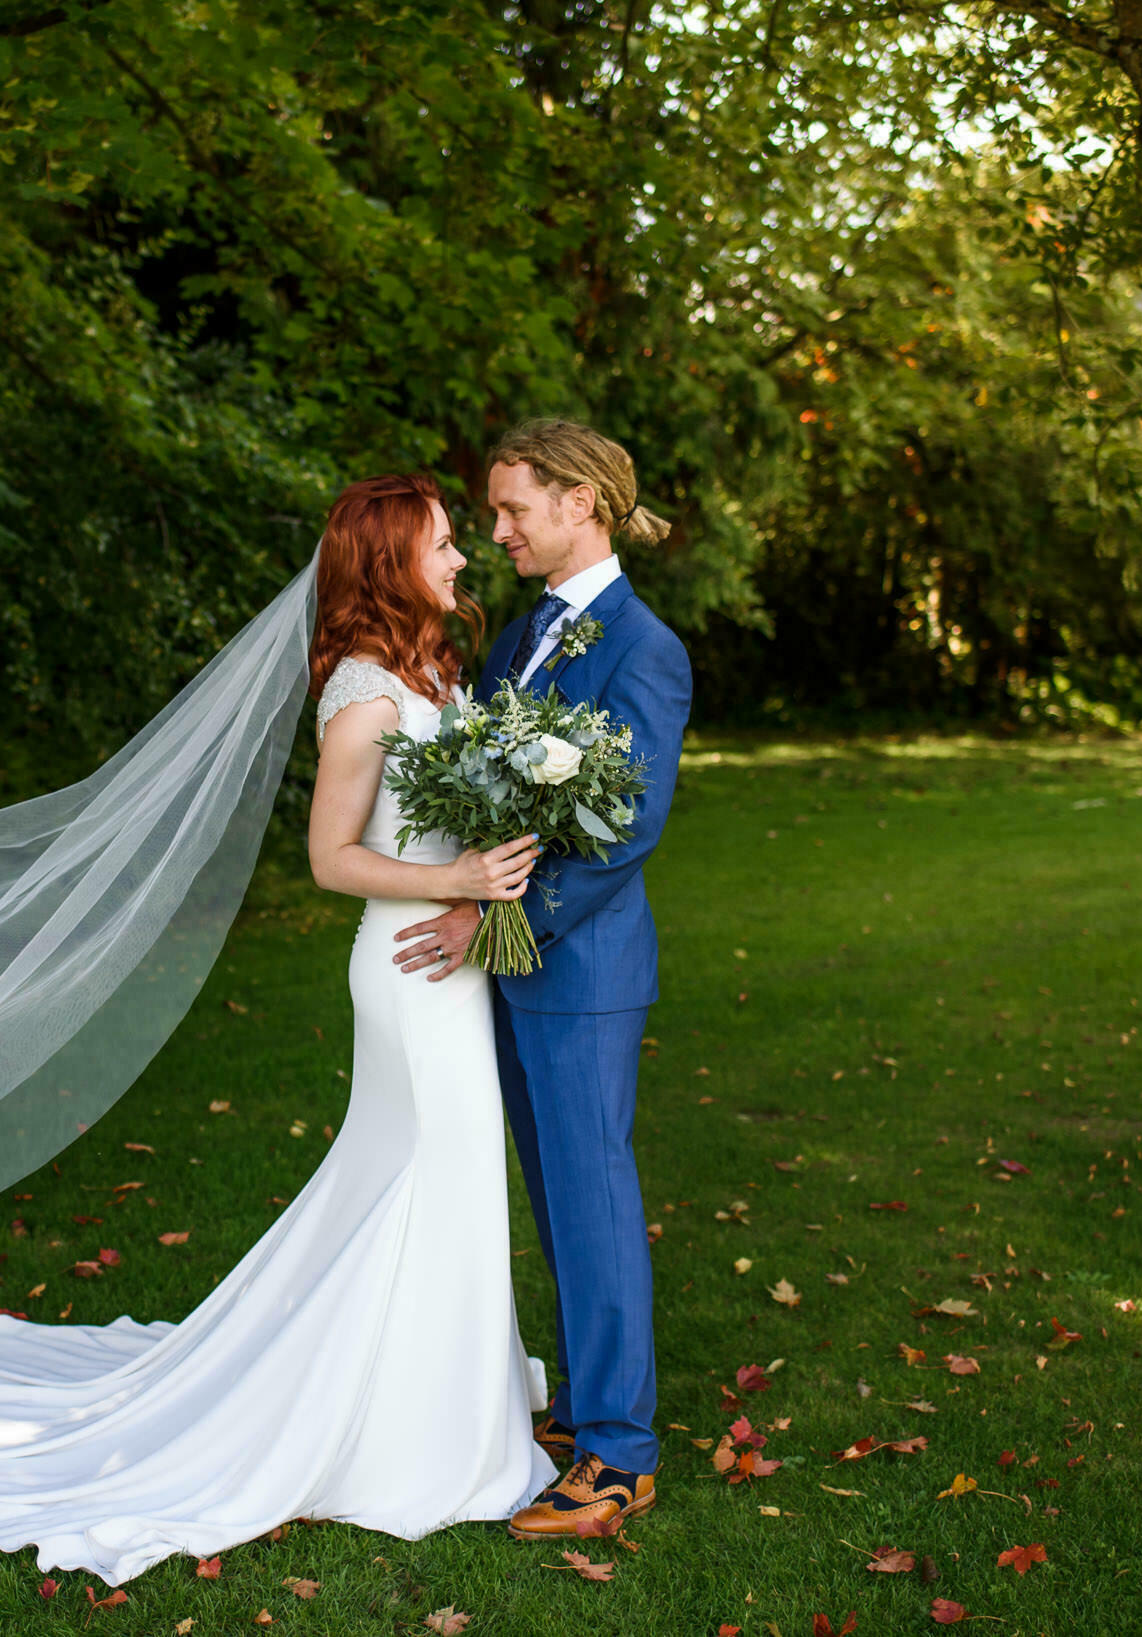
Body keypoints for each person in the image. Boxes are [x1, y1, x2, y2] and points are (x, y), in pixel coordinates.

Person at [0, 473, 553, 1583]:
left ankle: (440, 1393)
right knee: (427, 1168)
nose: (461, 558)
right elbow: (330, 858)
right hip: (407, 970)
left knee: (430, 1177)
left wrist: (484, 872)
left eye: (459, 541)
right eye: (444, 543)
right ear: (387, 560)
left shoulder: (433, 671)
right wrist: (453, 873)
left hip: (449, 960)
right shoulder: (364, 691)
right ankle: (410, 1431)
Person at [386, 418, 691, 1540]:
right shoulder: (522, 638)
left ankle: (619, 1453)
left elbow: (622, 833)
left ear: (583, 505)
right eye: (496, 511)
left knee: (593, 1196)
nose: (498, 528)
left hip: (583, 966)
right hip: (507, 963)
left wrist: (497, 920)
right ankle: (578, 1403)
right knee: (556, 1200)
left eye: (514, 509)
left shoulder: (641, 646)